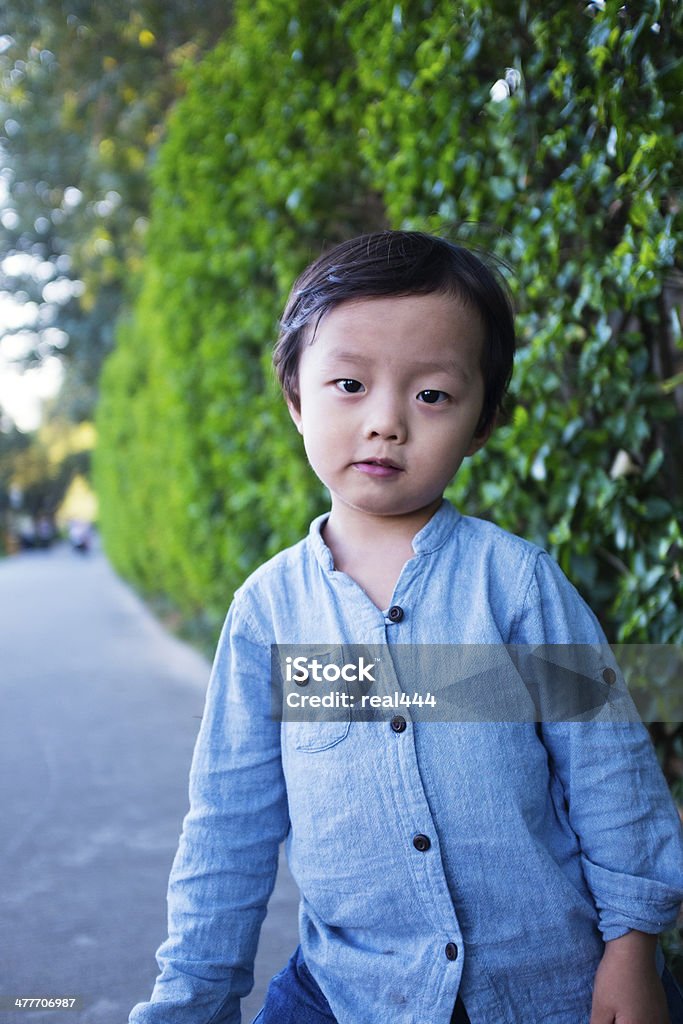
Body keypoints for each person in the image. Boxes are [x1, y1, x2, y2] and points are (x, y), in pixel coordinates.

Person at [129, 231, 683, 1024]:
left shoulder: (516, 586)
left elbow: (608, 770)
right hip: (350, 990)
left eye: (431, 395)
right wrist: (191, 1000)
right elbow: (229, 826)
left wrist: (633, 948)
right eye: (348, 384)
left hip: (545, 986)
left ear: (481, 421)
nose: (386, 422)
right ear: (295, 398)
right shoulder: (269, 615)